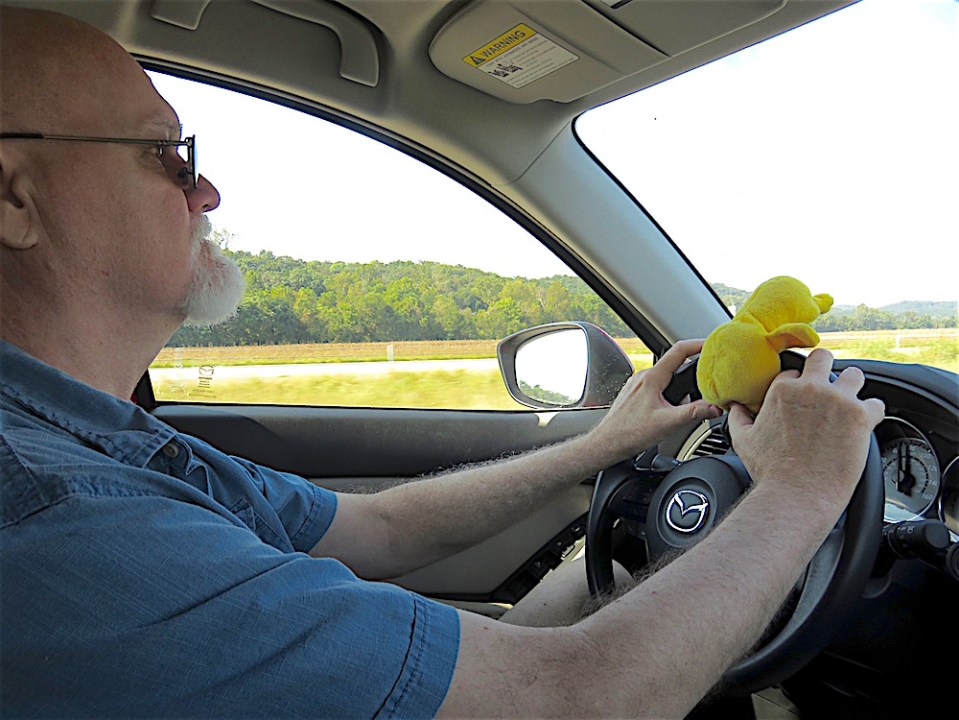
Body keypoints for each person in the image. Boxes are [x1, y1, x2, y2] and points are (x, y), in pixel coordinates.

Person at [0, 7, 884, 718]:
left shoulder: (107, 444)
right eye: (165, 152)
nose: (205, 189)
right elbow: (577, 701)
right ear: (13, 198)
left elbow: (378, 532)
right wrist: (800, 488)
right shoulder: (53, 519)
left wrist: (596, 447)